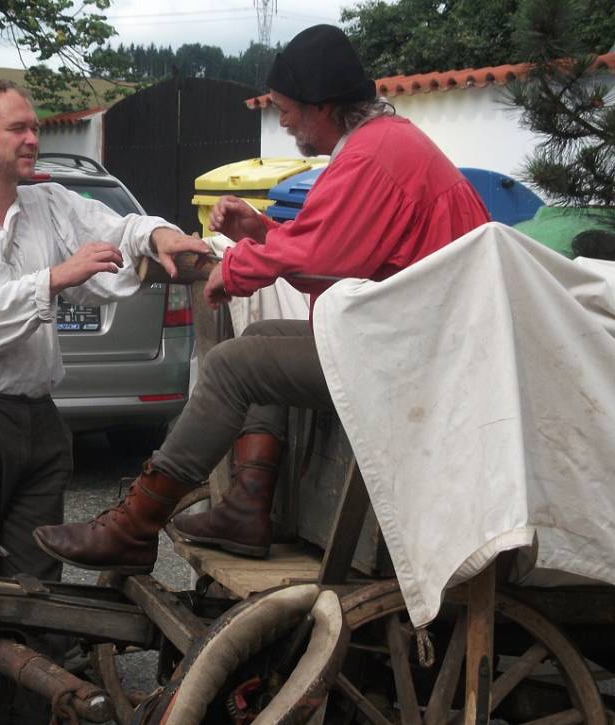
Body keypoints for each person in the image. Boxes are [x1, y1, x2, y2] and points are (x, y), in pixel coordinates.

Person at [32, 25, 490, 573]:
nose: (285, 121)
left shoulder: (374, 155)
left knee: (231, 366)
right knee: (260, 340)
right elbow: (339, 247)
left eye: (287, 108)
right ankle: (248, 506)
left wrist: (235, 267)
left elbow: (326, 255)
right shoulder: (383, 143)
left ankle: (135, 525)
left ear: (321, 106)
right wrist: (261, 231)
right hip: (410, 335)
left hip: (417, 353)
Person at [0, 79, 208, 724]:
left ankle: (28, 710)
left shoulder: (48, 204)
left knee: (32, 585)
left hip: (38, 419)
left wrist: (160, 238)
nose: (34, 138)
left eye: (35, 126)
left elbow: (120, 228)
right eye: (18, 128)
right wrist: (55, 277)